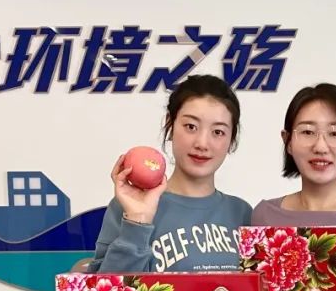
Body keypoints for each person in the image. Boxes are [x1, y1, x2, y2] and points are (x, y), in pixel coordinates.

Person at [88, 74, 252, 273]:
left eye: (218, 132)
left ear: (231, 139)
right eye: (191, 127)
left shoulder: (243, 213)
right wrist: (137, 220)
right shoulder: (130, 205)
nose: (202, 143)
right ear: (170, 124)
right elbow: (105, 290)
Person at [251, 83, 336, 226]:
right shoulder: (265, 215)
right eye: (308, 132)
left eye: (335, 133)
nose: (320, 147)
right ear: (288, 141)